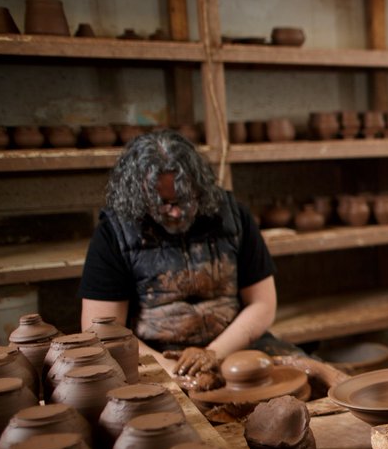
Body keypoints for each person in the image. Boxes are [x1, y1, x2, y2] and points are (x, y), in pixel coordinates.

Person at [79, 129, 282, 379]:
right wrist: (171, 371)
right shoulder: (114, 233)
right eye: (164, 203)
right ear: (139, 194)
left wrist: (212, 353)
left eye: (185, 199)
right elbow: (101, 330)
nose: (176, 213)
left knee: (309, 382)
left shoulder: (233, 216)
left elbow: (263, 303)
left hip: (232, 344)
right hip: (157, 355)